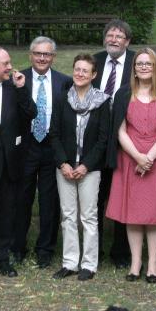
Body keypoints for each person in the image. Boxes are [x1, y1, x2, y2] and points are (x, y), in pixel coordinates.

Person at [106, 48, 156, 283]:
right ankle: (136, 262)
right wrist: (138, 156)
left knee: (154, 214)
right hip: (129, 159)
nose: (144, 67)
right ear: (134, 68)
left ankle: (153, 263)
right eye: (140, 64)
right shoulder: (123, 93)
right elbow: (119, 129)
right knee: (133, 214)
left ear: (155, 67)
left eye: (149, 63)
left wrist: (149, 157)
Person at [0, 46, 37, 278]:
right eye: (6, 63)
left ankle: (2, 260)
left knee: (5, 215)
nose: (11, 67)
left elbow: (31, 113)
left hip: (10, 164)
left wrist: (22, 90)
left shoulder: (15, 88)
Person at [50, 53, 110, 281]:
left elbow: (103, 139)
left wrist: (86, 165)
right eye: (77, 69)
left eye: (85, 70)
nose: (80, 74)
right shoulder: (62, 99)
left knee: (89, 216)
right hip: (64, 167)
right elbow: (54, 134)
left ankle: (89, 264)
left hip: (90, 169)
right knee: (68, 215)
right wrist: (62, 163)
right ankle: (70, 262)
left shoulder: (102, 102)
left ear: (93, 75)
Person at [13, 36, 71, 268]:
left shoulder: (64, 82)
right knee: (22, 199)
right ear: (30, 55)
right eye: (38, 53)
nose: (42, 58)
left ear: (53, 57)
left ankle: (45, 249)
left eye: (47, 54)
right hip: (25, 146)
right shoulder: (18, 79)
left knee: (49, 202)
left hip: (51, 146)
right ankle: (18, 247)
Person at [92, 19, 134, 269]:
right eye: (110, 35)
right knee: (96, 196)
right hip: (97, 139)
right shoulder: (94, 61)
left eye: (119, 36)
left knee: (122, 194)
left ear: (127, 41)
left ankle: (121, 251)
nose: (114, 40)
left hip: (127, 138)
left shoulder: (137, 62)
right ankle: (93, 251)